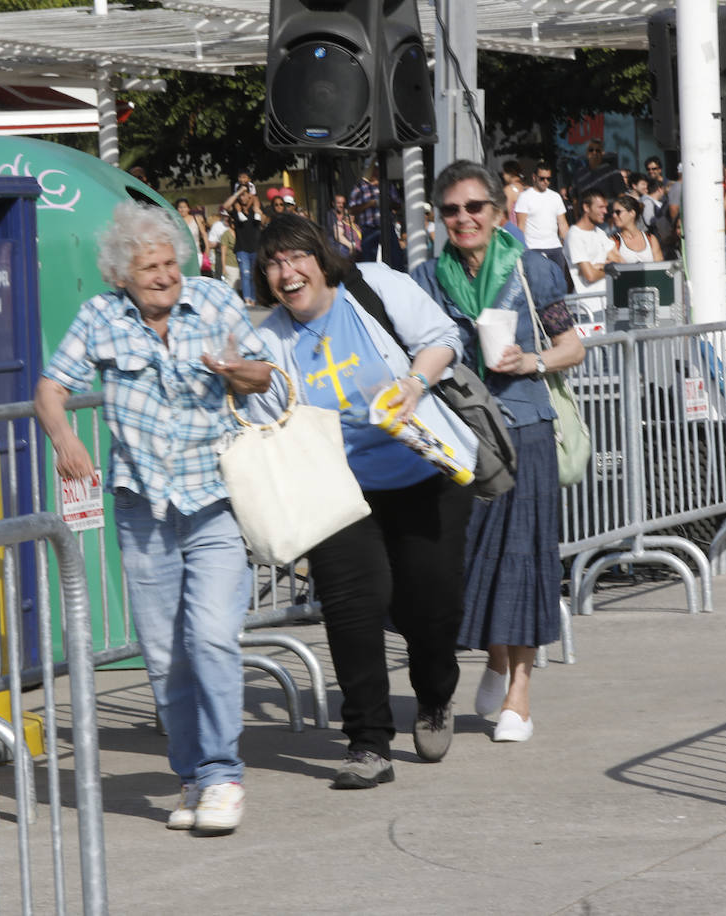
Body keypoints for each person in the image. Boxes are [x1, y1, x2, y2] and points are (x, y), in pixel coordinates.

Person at [33, 201, 273, 835]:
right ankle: (193, 777)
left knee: (213, 637)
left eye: (169, 263)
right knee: (166, 655)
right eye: (149, 269)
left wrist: (238, 372)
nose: (165, 277)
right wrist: (66, 440)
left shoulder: (216, 300)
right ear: (120, 276)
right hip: (143, 508)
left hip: (214, 499)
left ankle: (223, 775)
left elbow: (263, 375)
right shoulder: (100, 317)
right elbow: (51, 388)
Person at [247, 213, 477, 788]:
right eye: (273, 264)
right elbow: (268, 419)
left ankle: (434, 694)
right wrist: (243, 385)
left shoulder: (374, 286)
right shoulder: (269, 338)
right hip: (339, 489)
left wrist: (413, 384)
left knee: (431, 604)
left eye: (296, 256)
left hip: (424, 470)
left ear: (320, 258)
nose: (286, 272)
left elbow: (445, 338)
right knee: (352, 608)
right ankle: (368, 742)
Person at [411, 160, 585, 743]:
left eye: (474, 208)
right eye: (452, 211)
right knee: (470, 559)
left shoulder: (535, 270)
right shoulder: (427, 281)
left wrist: (530, 361)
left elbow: (571, 348)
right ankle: (494, 654)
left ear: (497, 212)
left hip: (528, 427)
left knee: (526, 560)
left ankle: (520, 694)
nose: (464, 219)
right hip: (462, 436)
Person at [565, 189, 621, 326]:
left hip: (608, 304)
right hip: (588, 309)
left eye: (606, 207)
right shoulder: (574, 236)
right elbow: (589, 275)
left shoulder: (599, 232)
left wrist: (599, 266)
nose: (605, 211)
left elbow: (620, 262)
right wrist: (608, 266)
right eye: (600, 207)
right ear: (586, 207)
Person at [513, 161, 570, 275]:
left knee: (559, 285)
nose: (546, 182)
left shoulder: (555, 197)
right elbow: (521, 227)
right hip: (534, 249)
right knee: (538, 288)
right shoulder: (525, 197)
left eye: (548, 179)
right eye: (542, 178)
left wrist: (570, 244)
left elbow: (563, 224)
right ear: (534, 177)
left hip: (555, 248)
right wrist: (521, 251)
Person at [223, 178, 264, 305]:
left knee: (254, 274)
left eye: (244, 195)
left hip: (255, 248)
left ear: (249, 196)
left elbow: (264, 221)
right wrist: (237, 192)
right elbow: (225, 206)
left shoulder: (256, 208)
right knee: (245, 274)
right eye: (240, 196)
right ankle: (247, 299)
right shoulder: (236, 211)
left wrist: (259, 213)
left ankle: (255, 298)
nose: (242, 198)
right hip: (242, 249)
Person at [570, 139, 626, 217]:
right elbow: (575, 199)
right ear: (587, 153)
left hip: (608, 221)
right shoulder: (579, 174)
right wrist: (577, 218)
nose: (594, 153)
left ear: (602, 153)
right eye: (591, 150)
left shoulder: (612, 172)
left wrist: (617, 216)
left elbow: (622, 197)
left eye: (598, 150)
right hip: (587, 221)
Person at [609, 194, 663, 263]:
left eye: (618, 212)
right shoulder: (613, 242)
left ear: (632, 213)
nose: (614, 215)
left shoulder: (651, 239)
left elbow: (659, 268)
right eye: (612, 212)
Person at [174, 198, 211, 274]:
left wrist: (207, 248)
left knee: (196, 274)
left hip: (196, 253)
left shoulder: (196, 219)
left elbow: (204, 234)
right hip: (181, 255)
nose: (182, 209)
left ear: (188, 208)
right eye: (180, 207)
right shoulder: (175, 221)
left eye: (184, 207)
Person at [325, 192, 362, 260]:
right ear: (333, 204)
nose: (341, 205)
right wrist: (350, 246)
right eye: (338, 203)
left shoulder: (348, 214)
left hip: (354, 249)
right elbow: (336, 234)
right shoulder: (329, 216)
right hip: (337, 249)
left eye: (343, 203)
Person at [500, 159, 528, 242]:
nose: (503, 176)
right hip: (530, 232)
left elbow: (505, 214)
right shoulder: (527, 189)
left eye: (504, 173)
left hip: (515, 232)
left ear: (509, 173)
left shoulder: (509, 190)